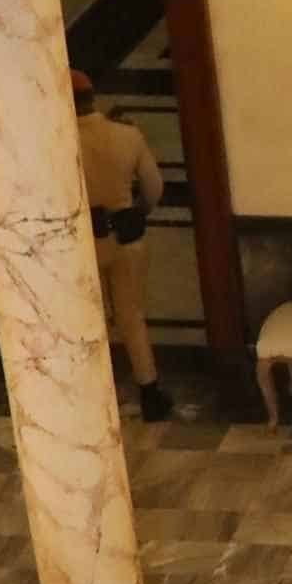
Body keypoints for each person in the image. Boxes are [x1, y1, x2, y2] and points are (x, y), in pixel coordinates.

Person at [75, 69, 171, 420]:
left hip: (82, 241)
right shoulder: (126, 134)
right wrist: (138, 211)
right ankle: (150, 394)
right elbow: (153, 187)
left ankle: (101, 399)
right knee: (132, 315)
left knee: (93, 319)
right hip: (126, 236)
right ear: (93, 97)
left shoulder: (58, 139)